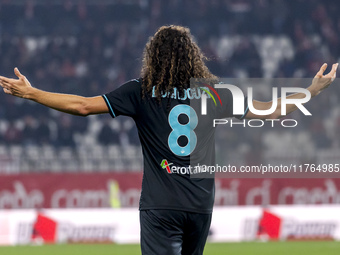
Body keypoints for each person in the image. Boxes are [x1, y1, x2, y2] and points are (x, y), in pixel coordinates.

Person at [0, 25, 338, 254]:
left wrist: (32, 94)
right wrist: (311, 90)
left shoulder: (140, 90)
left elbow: (82, 106)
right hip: (199, 206)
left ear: (153, 57)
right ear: (193, 56)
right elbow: (273, 112)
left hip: (160, 206)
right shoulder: (215, 93)